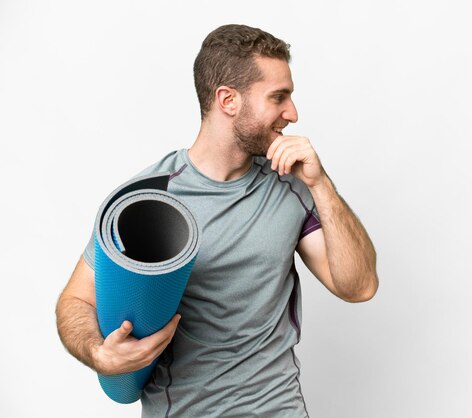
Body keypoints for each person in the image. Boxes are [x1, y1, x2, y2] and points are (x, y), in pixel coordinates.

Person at [56, 24, 378, 417]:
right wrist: (98, 353)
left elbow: (358, 287)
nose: (292, 113)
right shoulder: (149, 197)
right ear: (228, 100)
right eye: (279, 97)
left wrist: (321, 184)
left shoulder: (291, 188)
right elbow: (75, 300)